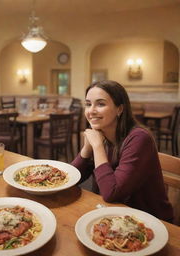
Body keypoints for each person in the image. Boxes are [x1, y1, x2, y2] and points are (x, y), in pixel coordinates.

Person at [72, 80, 174, 222]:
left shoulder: (139, 139)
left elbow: (111, 193)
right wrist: (86, 149)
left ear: (119, 109)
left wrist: (97, 147)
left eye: (100, 104)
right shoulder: (101, 133)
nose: (91, 111)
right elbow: (72, 178)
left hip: (149, 222)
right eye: (88, 104)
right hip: (113, 215)